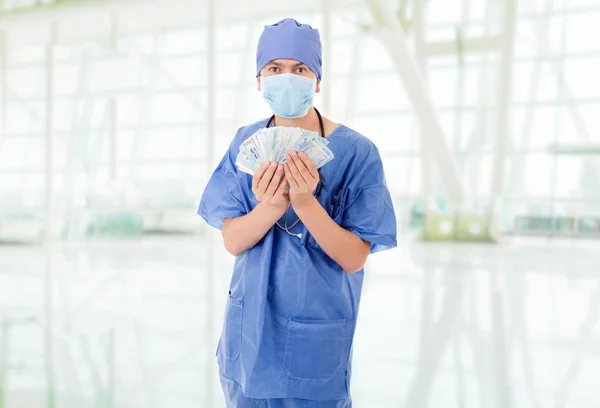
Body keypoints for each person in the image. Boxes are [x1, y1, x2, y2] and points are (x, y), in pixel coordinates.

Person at [198, 17, 397, 408]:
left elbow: (354, 257)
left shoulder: (356, 153)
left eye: (299, 69)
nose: (286, 78)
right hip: (248, 337)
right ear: (259, 80)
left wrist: (306, 204)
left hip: (316, 337)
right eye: (274, 69)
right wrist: (272, 205)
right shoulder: (246, 143)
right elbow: (233, 240)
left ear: (316, 81)